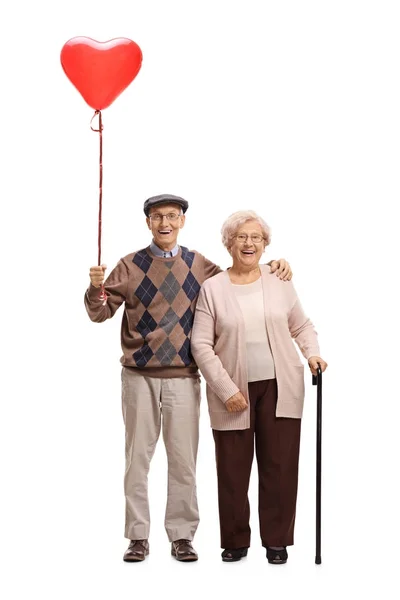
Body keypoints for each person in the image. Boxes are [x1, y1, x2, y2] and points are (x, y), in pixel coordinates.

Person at [84, 195, 292, 563]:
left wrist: (275, 265)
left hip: (184, 377)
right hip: (138, 377)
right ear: (148, 222)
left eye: (172, 216)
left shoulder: (200, 267)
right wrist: (94, 288)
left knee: (183, 460)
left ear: (182, 221)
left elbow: (240, 274)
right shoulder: (128, 266)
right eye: (157, 216)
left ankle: (182, 536)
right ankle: (137, 537)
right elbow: (100, 312)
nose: (165, 222)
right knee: (137, 459)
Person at [190, 210, 327, 564]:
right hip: (233, 391)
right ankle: (235, 541)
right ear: (229, 243)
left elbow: (301, 326)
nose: (249, 243)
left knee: (280, 467)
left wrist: (313, 354)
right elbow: (201, 345)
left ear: (265, 245)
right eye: (241, 237)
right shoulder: (213, 288)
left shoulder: (279, 279)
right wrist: (226, 389)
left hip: (280, 387)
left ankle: (277, 541)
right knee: (232, 470)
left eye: (256, 238)